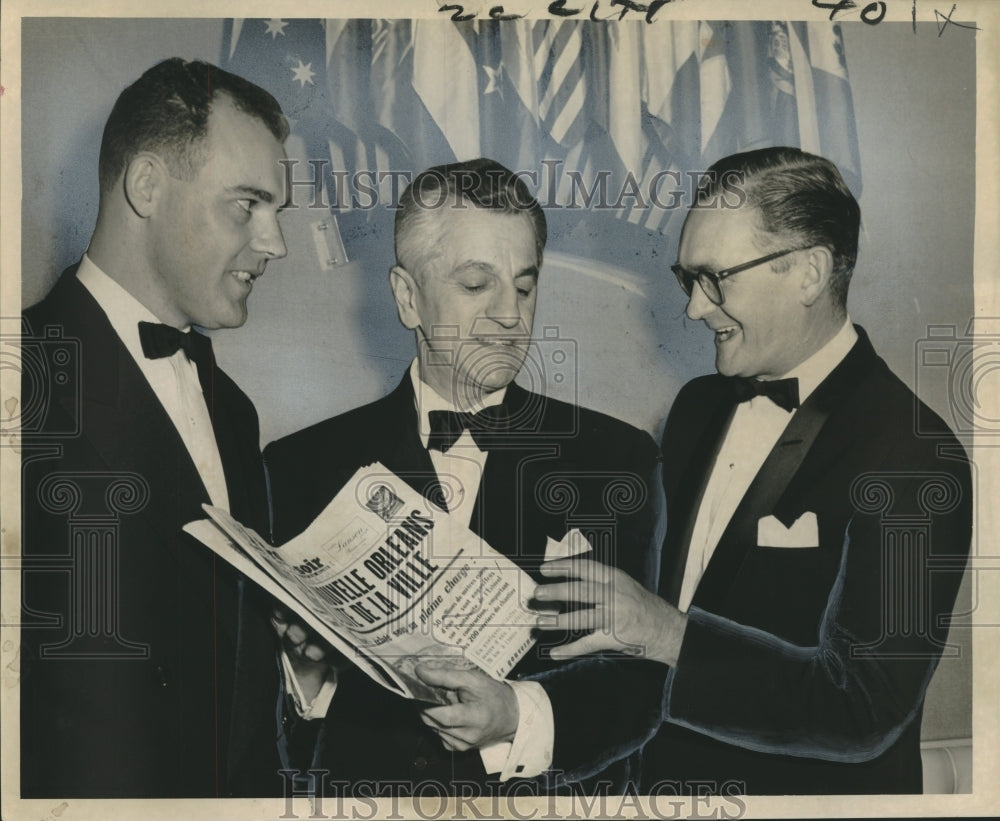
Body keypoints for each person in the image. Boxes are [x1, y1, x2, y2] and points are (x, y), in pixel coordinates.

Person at [533, 147, 972, 794]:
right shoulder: (695, 408)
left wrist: (666, 632)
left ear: (809, 273)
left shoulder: (916, 454)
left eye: (715, 278)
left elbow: (863, 708)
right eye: (688, 279)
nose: (694, 309)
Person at [262, 159, 667, 795]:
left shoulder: (617, 458)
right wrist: (304, 669)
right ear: (407, 298)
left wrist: (516, 717)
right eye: (477, 284)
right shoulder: (297, 466)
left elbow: (638, 685)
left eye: (525, 287)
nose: (510, 315)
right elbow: (269, 714)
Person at [20, 58, 292, 797]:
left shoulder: (234, 410)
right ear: (146, 186)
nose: (275, 243)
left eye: (277, 212)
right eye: (247, 205)